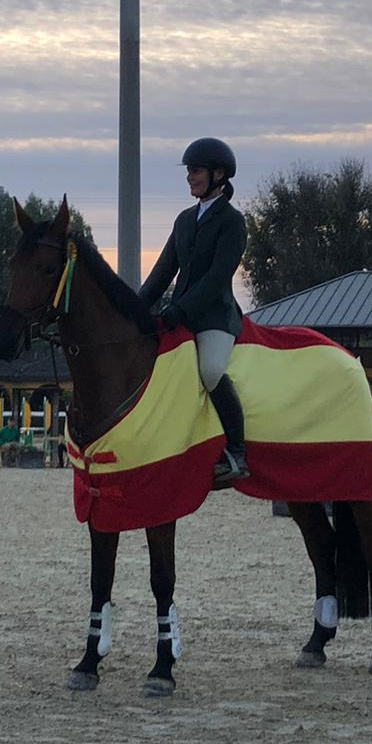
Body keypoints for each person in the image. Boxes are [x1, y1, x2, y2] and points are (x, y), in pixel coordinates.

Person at [140, 138, 250, 488]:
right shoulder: (185, 220)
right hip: (181, 314)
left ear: (218, 174)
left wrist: (180, 310)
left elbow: (218, 278)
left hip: (215, 316)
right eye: (189, 170)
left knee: (211, 370)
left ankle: (237, 452)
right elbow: (162, 272)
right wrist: (134, 308)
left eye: (196, 170)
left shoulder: (232, 222)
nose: (190, 177)